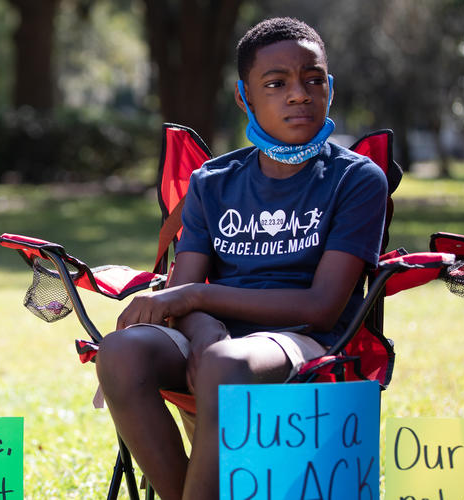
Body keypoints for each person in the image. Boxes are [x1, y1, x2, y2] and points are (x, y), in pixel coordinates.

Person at [94, 17, 388, 500]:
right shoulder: (214, 180)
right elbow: (182, 292)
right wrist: (205, 326)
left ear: (330, 88)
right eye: (276, 84)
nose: (299, 94)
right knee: (121, 352)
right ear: (243, 97)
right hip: (217, 339)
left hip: (309, 342)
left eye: (314, 80)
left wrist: (198, 303)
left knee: (225, 365)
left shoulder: (355, 180)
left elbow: (322, 307)